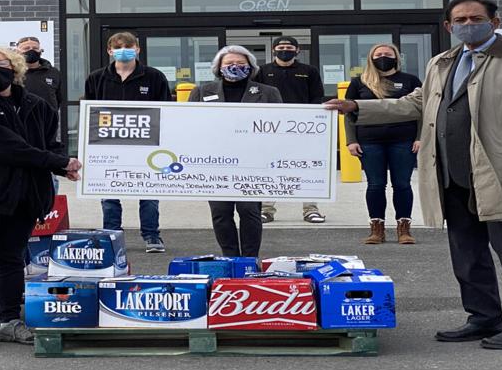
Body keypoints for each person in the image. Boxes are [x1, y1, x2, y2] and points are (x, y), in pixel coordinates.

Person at [325, 0, 502, 350]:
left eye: (475, 18)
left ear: (494, 22)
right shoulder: (442, 62)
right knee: (467, 253)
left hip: (501, 173)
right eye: (460, 20)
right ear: (449, 26)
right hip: (452, 174)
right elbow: (416, 103)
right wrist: (357, 105)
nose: (468, 25)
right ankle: (483, 317)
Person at [0, 46, 79, 352]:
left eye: (1, 63)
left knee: (12, 259)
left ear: (15, 67)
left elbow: (50, 144)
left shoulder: (36, 105)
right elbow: (3, 146)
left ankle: (9, 321)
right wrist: (56, 162)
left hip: (24, 195)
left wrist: (64, 164)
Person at [189, 46, 281, 258]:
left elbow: (279, 125)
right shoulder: (202, 92)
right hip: (214, 162)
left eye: (241, 63)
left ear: (250, 67)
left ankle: (249, 259)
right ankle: (230, 257)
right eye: (229, 63)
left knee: (249, 211)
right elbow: (190, 125)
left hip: (253, 162)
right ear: (219, 67)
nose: (235, 67)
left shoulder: (268, 92)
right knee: (220, 213)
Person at [83, 31, 170, 252]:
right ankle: (112, 235)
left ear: (137, 49)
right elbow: (90, 112)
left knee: (149, 193)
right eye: (118, 47)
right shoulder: (96, 78)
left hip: (147, 144)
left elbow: (167, 111)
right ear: (110, 51)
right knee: (109, 194)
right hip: (108, 144)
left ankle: (152, 236)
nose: (124, 51)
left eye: (129, 47)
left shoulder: (154, 77)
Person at [344, 44, 422, 245]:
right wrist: (351, 140)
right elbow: (348, 114)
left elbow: (422, 109)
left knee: (402, 184)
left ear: (397, 57)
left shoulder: (410, 80)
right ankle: (376, 229)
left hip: (404, 139)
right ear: (371, 58)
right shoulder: (359, 82)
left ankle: (404, 228)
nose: (383, 57)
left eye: (388, 54)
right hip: (369, 140)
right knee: (376, 185)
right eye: (378, 54)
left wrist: (420, 137)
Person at [257, 36, 326, 224]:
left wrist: (311, 121)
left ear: (297, 50)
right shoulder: (262, 71)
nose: (284, 50)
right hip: (270, 128)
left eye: (289, 47)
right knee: (270, 168)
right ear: (273, 50)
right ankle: (266, 209)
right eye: (281, 47)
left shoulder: (309, 71)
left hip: (302, 128)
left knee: (307, 168)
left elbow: (317, 97)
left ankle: (311, 210)